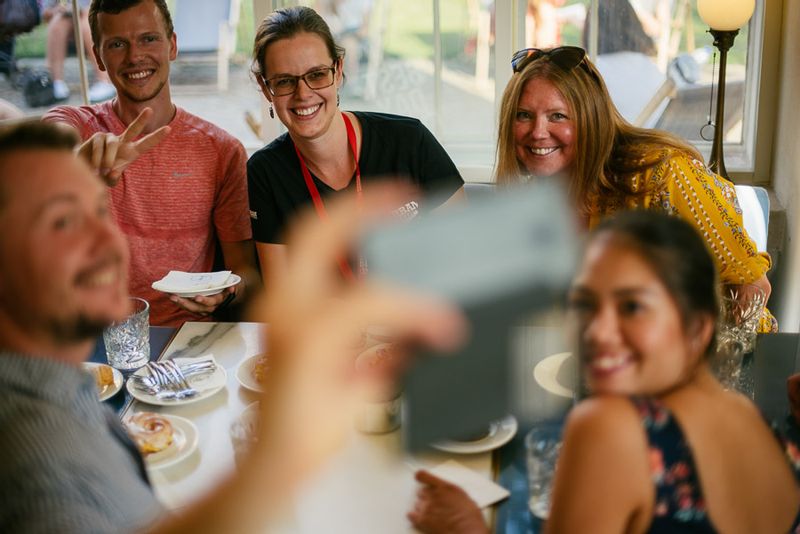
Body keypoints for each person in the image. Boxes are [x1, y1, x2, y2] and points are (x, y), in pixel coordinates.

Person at [0, 119, 466, 532]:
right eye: (62, 221)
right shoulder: (37, 466)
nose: (107, 239)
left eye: (100, 211)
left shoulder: (56, 390)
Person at [410, 210, 800, 533]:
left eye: (632, 307)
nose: (596, 331)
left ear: (697, 327)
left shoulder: (609, 430)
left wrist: (468, 528)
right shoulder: (752, 421)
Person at [494, 45, 776, 332]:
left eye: (558, 116)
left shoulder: (661, 173)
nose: (538, 132)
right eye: (524, 115)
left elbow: (753, 286)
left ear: (591, 118)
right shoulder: (534, 203)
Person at [43, 0, 257, 327]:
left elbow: (245, 275)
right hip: (91, 337)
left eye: (148, 39)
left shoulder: (222, 150)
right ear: (98, 56)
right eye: (117, 44)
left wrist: (225, 294)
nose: (134, 56)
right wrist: (73, 167)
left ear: (172, 45)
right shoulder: (79, 124)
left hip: (185, 341)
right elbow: (50, 144)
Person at [247, 5, 465, 285]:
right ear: (266, 88)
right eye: (285, 81)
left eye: (316, 75)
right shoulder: (264, 173)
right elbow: (284, 293)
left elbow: (462, 256)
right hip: (329, 327)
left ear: (338, 71)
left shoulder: (410, 141)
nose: (303, 94)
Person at [42, 0, 116, 102]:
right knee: (58, 22)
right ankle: (57, 82)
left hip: (97, 19)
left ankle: (105, 81)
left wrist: (83, 10)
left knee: (86, 21)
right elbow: (45, 14)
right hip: (70, 24)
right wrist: (58, 10)